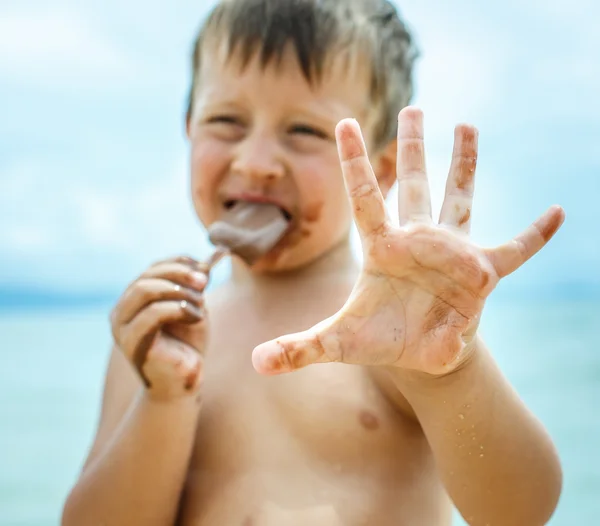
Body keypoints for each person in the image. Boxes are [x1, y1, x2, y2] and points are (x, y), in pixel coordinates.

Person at [62, 1, 565, 525]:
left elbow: (519, 510)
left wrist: (451, 375)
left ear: (382, 168)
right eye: (226, 121)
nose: (255, 162)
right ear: (189, 127)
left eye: (303, 131)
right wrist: (163, 399)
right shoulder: (159, 340)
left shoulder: (391, 323)